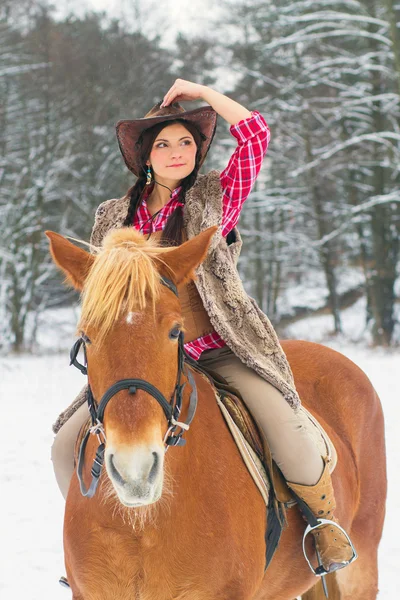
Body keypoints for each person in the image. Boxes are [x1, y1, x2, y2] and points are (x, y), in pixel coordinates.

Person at [51, 78, 355, 575]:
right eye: (163, 144)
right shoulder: (111, 217)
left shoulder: (213, 197)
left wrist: (200, 92)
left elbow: (255, 134)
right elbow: (103, 301)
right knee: (67, 444)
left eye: (186, 142)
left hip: (220, 349)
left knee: (291, 435)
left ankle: (324, 527)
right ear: (145, 157)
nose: (176, 152)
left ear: (198, 151)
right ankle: (92, 540)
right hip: (141, 360)